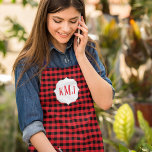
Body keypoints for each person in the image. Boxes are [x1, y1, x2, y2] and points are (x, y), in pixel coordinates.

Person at [13, 0, 115, 151]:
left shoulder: (88, 50)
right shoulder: (28, 63)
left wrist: (80, 56)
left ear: (81, 20)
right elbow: (31, 126)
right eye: (57, 20)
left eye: (73, 21)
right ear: (44, 17)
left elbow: (106, 102)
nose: (66, 28)